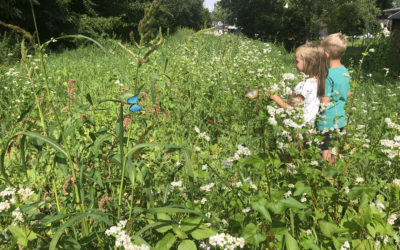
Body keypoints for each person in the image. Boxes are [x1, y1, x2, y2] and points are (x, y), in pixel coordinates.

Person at [267, 44, 328, 128]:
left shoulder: (304, 86)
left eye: (297, 61)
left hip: (297, 130)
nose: (294, 65)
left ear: (309, 63)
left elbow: (292, 111)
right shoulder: (318, 81)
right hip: (308, 129)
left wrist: (274, 97)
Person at [316, 32, 350, 165]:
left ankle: (326, 179)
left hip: (327, 121)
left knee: (325, 152)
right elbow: (347, 94)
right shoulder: (345, 71)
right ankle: (333, 177)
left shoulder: (327, 74)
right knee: (334, 149)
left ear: (326, 53)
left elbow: (324, 101)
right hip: (340, 119)